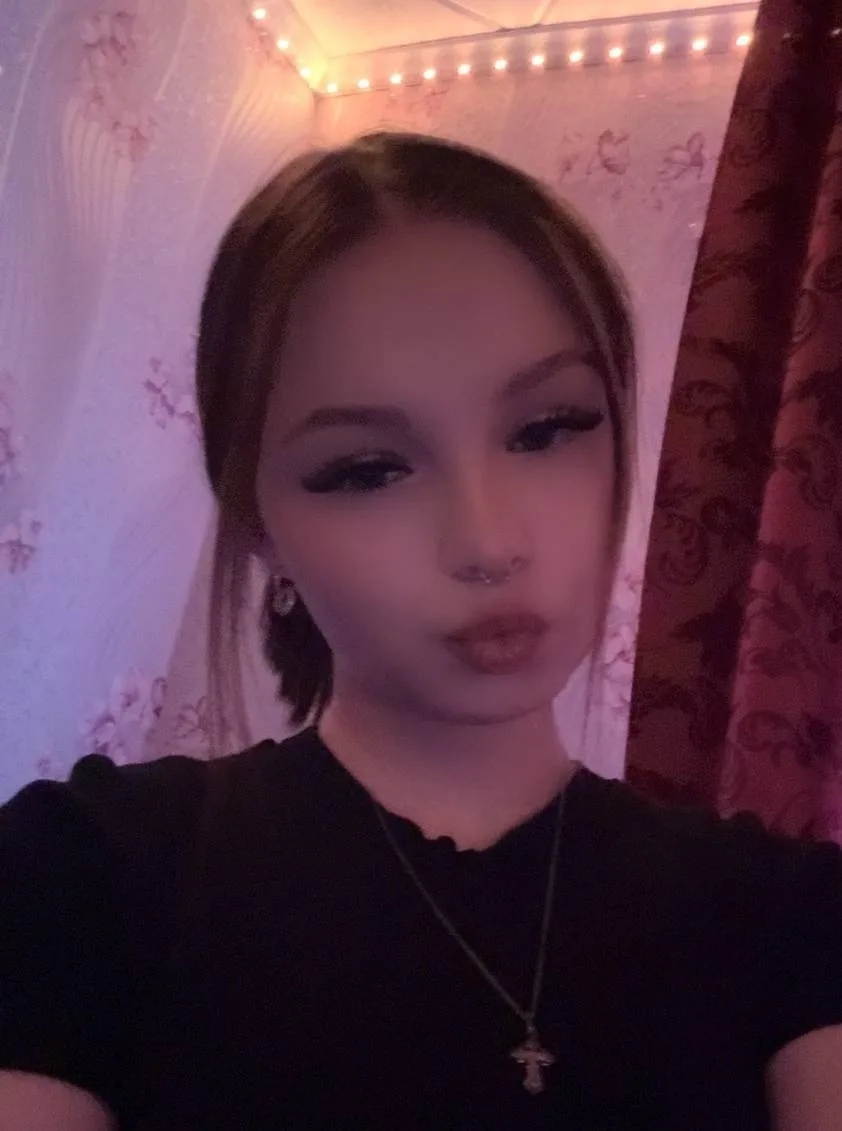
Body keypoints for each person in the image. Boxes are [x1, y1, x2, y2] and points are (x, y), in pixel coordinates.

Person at [1, 131, 841, 1131]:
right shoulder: (80, 877)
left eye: (546, 429)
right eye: (367, 469)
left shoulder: (788, 919)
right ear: (258, 523)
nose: (486, 543)